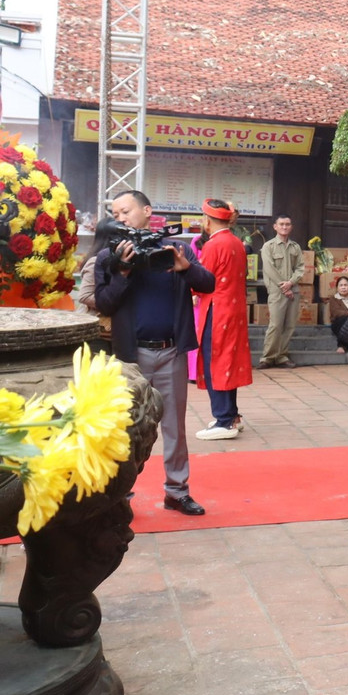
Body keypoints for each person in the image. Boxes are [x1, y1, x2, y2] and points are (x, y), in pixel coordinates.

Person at [94, 190, 215, 516]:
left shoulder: (177, 249)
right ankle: (120, 498)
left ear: (146, 211)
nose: (120, 217)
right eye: (116, 213)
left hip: (171, 353)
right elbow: (103, 302)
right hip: (130, 358)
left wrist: (185, 268)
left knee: (174, 428)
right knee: (126, 428)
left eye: (126, 210)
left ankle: (177, 491)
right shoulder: (110, 256)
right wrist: (122, 273)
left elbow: (208, 284)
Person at [192, 199, 253, 442]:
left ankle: (224, 420)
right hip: (234, 310)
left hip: (217, 311)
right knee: (228, 362)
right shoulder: (237, 242)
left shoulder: (214, 245)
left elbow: (202, 280)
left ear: (207, 220)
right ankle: (231, 416)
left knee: (215, 362)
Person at [258, 213, 304, 369]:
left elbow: (300, 268)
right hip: (277, 291)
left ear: (291, 227)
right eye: (281, 224)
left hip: (293, 290)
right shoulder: (268, 246)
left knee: (289, 325)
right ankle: (268, 357)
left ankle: (282, 356)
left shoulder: (295, 247)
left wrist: (291, 283)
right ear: (275, 227)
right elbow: (269, 268)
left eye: (287, 224)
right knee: (276, 324)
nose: (285, 227)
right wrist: (284, 287)